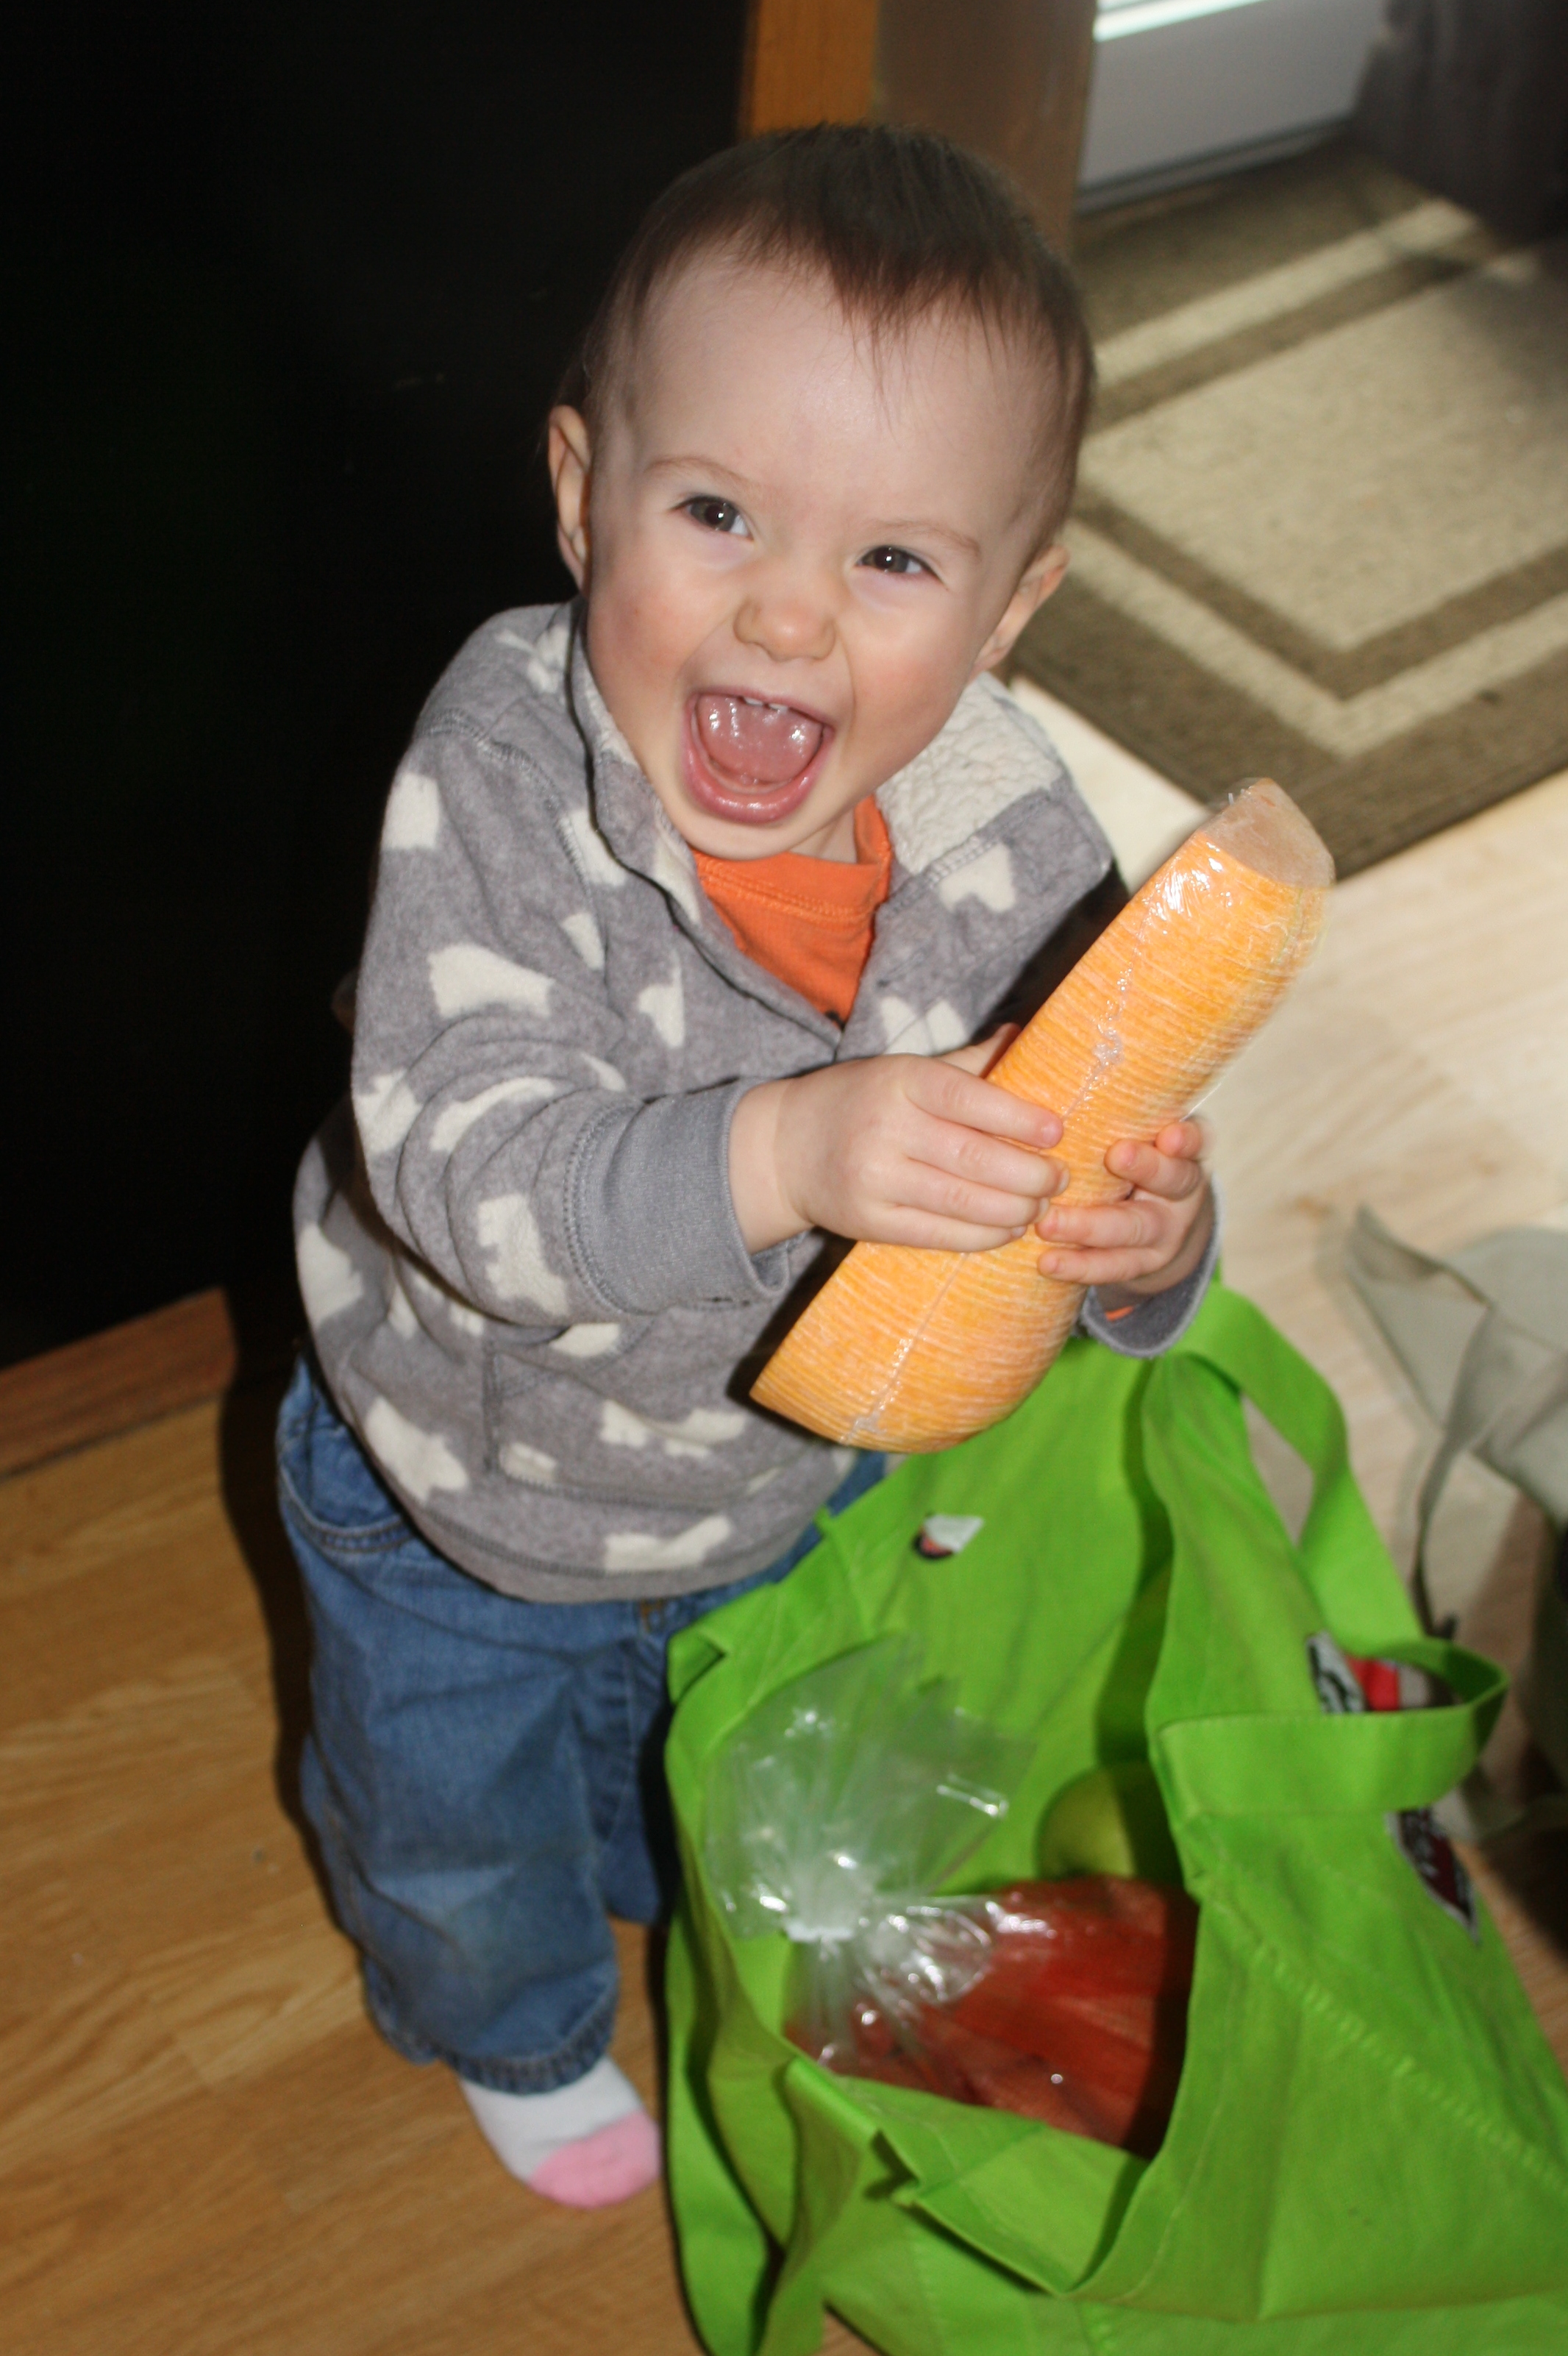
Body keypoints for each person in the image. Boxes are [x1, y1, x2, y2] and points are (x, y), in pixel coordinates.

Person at [277, 124, 1216, 2213]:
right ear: (579, 491)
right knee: (459, 1820)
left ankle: (638, 1872)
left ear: (1010, 608)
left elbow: (1065, 1168)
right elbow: (470, 1174)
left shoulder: (1018, 843)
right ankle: (511, 2019)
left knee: (683, 1761)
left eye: (894, 563)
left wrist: (1141, 1242)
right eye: (714, 513)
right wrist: (791, 1146)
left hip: (771, 1490)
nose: (786, 613)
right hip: (462, 1488)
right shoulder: (499, 771)